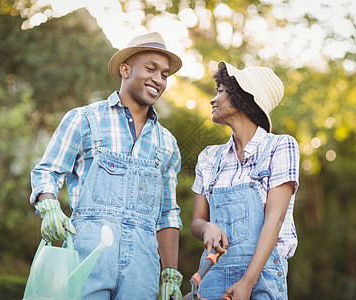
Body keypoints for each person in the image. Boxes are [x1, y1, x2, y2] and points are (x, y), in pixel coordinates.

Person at [30, 32, 184, 299]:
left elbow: (168, 213)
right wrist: (48, 205)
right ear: (125, 69)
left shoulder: (167, 144)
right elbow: (48, 170)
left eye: (165, 74)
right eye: (151, 69)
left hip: (143, 268)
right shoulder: (84, 119)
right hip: (88, 257)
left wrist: (170, 271)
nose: (158, 80)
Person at [190, 61, 300, 300]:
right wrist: (208, 226)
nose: (213, 99)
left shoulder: (280, 147)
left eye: (220, 91)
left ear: (242, 97)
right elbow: (197, 221)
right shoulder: (209, 157)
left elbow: (275, 217)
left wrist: (247, 282)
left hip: (263, 277)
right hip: (213, 274)